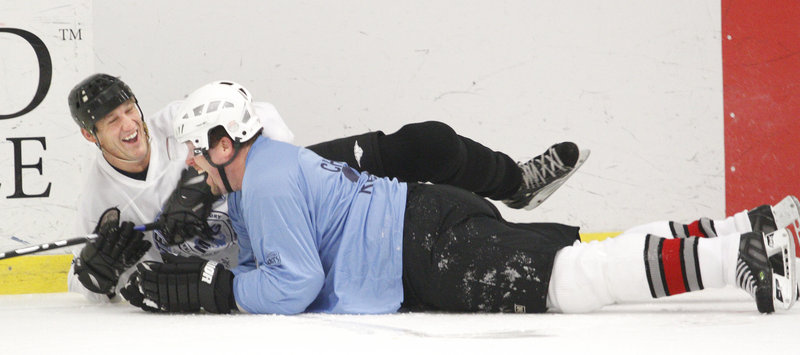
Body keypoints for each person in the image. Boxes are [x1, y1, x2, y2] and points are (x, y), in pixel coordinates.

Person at [119, 81, 798, 316]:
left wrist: (218, 290)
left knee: (570, 279)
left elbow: (296, 282)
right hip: (427, 218)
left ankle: (736, 257)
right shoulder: (262, 166)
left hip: (423, 247)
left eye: (194, 147)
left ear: (224, 141)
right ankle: (741, 228)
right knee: (575, 250)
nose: (188, 159)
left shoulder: (261, 180)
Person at [65, 74, 589, 302]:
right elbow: (94, 275)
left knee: (429, 143)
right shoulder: (98, 198)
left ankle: (516, 183)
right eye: (111, 122)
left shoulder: (175, 120)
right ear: (91, 136)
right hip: (255, 247)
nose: (128, 124)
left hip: (286, 186)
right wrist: (93, 278)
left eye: (128, 108)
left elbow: (268, 125)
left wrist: (200, 184)